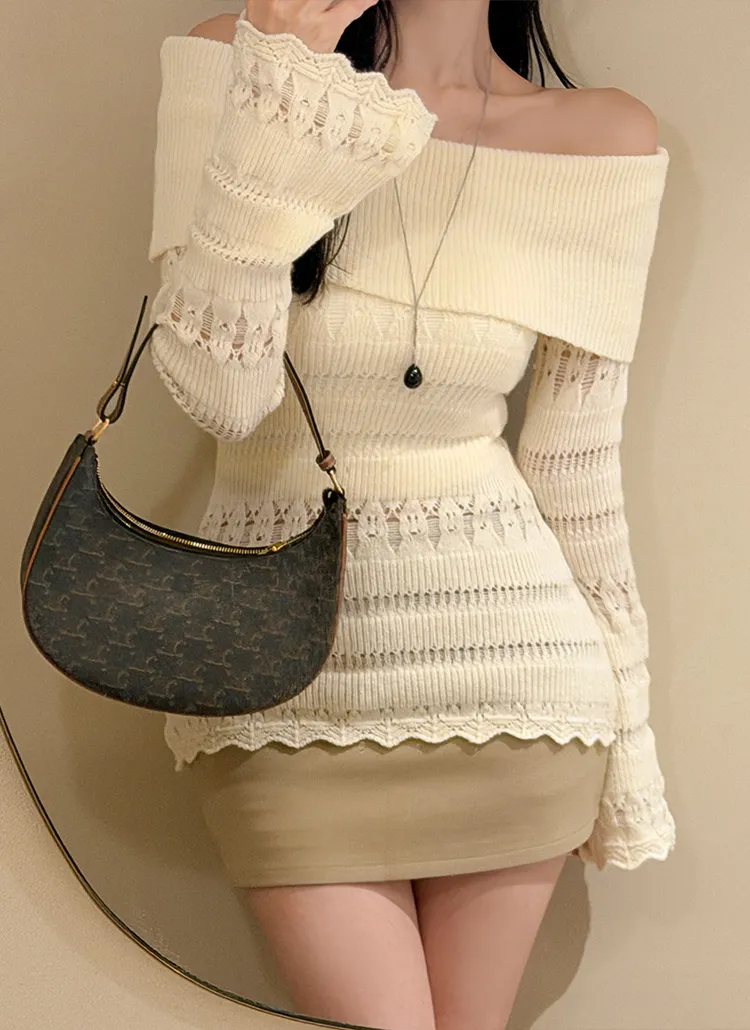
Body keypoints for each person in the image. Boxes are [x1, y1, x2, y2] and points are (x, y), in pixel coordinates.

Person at [146, 1, 676, 1027]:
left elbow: (577, 472)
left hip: (520, 694)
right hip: (275, 690)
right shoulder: (239, 59)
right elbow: (220, 395)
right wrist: (283, 85)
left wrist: (631, 742)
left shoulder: (602, 137)